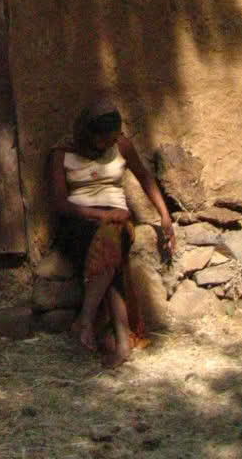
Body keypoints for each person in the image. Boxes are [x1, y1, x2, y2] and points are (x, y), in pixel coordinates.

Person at [49, 96, 175, 367]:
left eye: (113, 137)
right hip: (79, 222)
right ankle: (121, 343)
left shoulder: (122, 145)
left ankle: (84, 321)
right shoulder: (62, 153)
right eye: (102, 139)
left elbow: (143, 177)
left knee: (111, 239)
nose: (109, 144)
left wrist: (164, 215)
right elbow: (61, 204)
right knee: (110, 252)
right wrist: (102, 215)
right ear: (87, 133)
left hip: (117, 221)